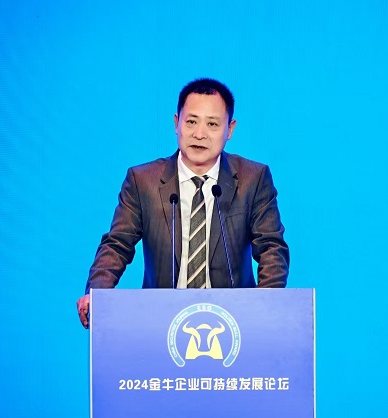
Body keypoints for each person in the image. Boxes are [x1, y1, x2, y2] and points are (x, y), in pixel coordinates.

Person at [76, 78, 289, 328]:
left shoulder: (253, 179)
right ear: (176, 123)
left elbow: (271, 248)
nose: (200, 134)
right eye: (191, 122)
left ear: (230, 130)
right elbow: (117, 245)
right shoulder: (143, 181)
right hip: (160, 322)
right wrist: (98, 293)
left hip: (235, 323)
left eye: (212, 124)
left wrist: (266, 305)